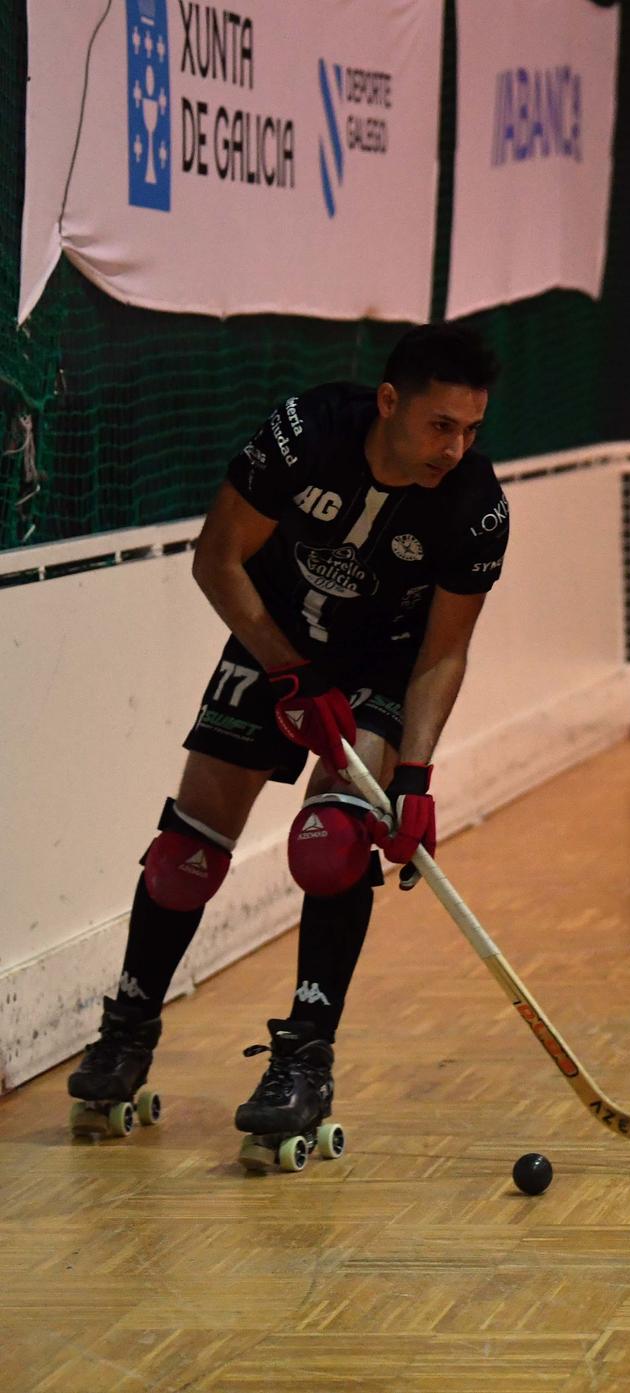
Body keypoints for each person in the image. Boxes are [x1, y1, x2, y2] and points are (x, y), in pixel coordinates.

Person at [64, 325, 509, 1165]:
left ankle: (303, 1061)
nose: (455, 449)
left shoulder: (475, 505)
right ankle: (126, 1031)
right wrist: (287, 671)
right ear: (389, 402)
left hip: (384, 663)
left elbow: (445, 649)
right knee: (182, 855)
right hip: (276, 637)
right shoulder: (306, 433)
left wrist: (413, 776)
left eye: (470, 430)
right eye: (440, 426)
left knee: (334, 844)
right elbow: (216, 556)